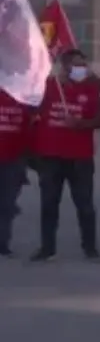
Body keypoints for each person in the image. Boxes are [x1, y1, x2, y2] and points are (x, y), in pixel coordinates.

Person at [30, 49, 100, 262]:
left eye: (83, 65)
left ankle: (90, 247)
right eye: (77, 65)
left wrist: (81, 124)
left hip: (80, 157)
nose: (81, 69)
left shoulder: (90, 89)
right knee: (49, 203)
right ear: (65, 66)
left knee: (85, 204)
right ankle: (47, 248)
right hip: (51, 156)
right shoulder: (47, 87)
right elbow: (31, 113)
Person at [0, 86, 30, 257]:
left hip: (13, 160)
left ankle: (2, 242)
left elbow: (26, 130)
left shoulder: (21, 100)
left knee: (7, 204)